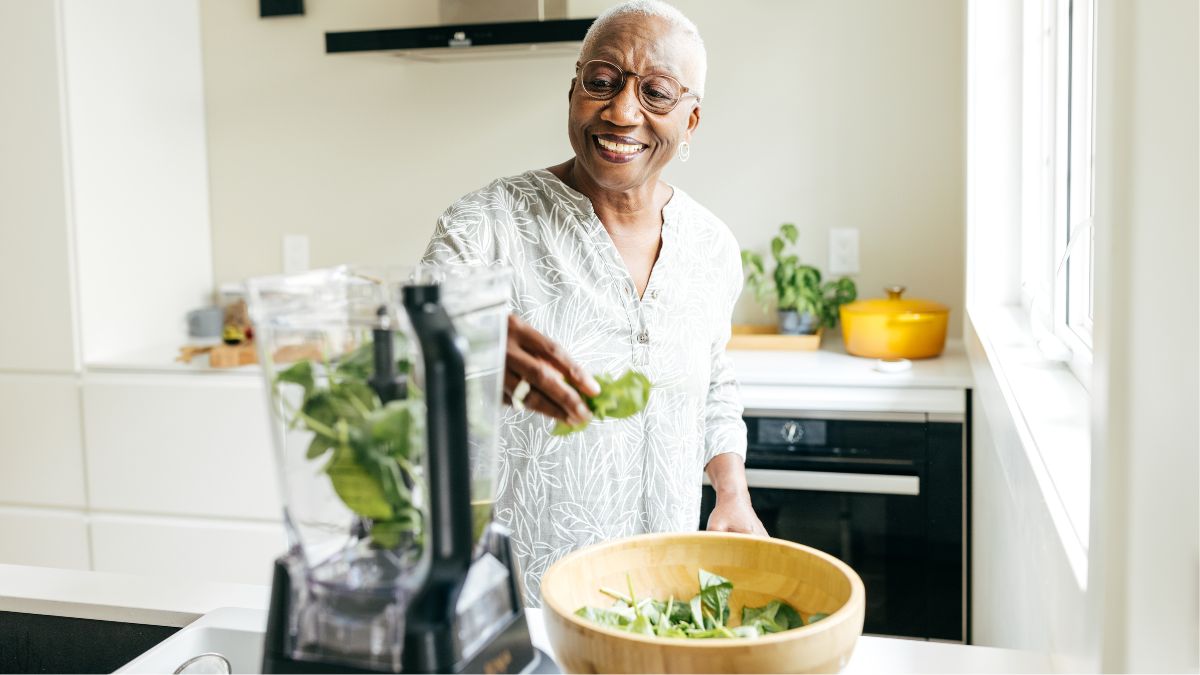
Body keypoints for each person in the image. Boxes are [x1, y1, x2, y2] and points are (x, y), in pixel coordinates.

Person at [422, 0, 764, 607]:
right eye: (601, 81)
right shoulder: (485, 227)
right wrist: (460, 346)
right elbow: (411, 352)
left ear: (690, 121)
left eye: (656, 92)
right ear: (573, 92)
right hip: (522, 602)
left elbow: (713, 382)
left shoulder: (711, 246)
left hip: (661, 597)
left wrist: (731, 492)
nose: (622, 111)